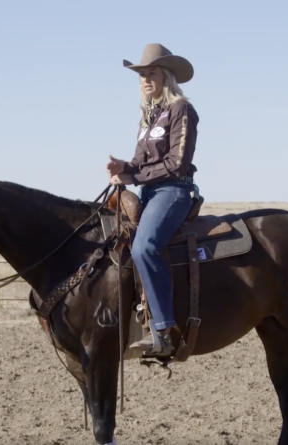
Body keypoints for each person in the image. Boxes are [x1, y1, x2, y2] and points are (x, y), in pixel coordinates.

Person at [106, 43, 200, 357]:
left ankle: (163, 329)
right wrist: (122, 168)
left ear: (167, 76)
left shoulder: (181, 109)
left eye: (152, 73)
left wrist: (134, 177)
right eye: (142, 75)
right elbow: (138, 164)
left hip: (173, 192)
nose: (146, 80)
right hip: (149, 192)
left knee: (145, 246)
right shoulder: (148, 118)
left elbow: (178, 163)